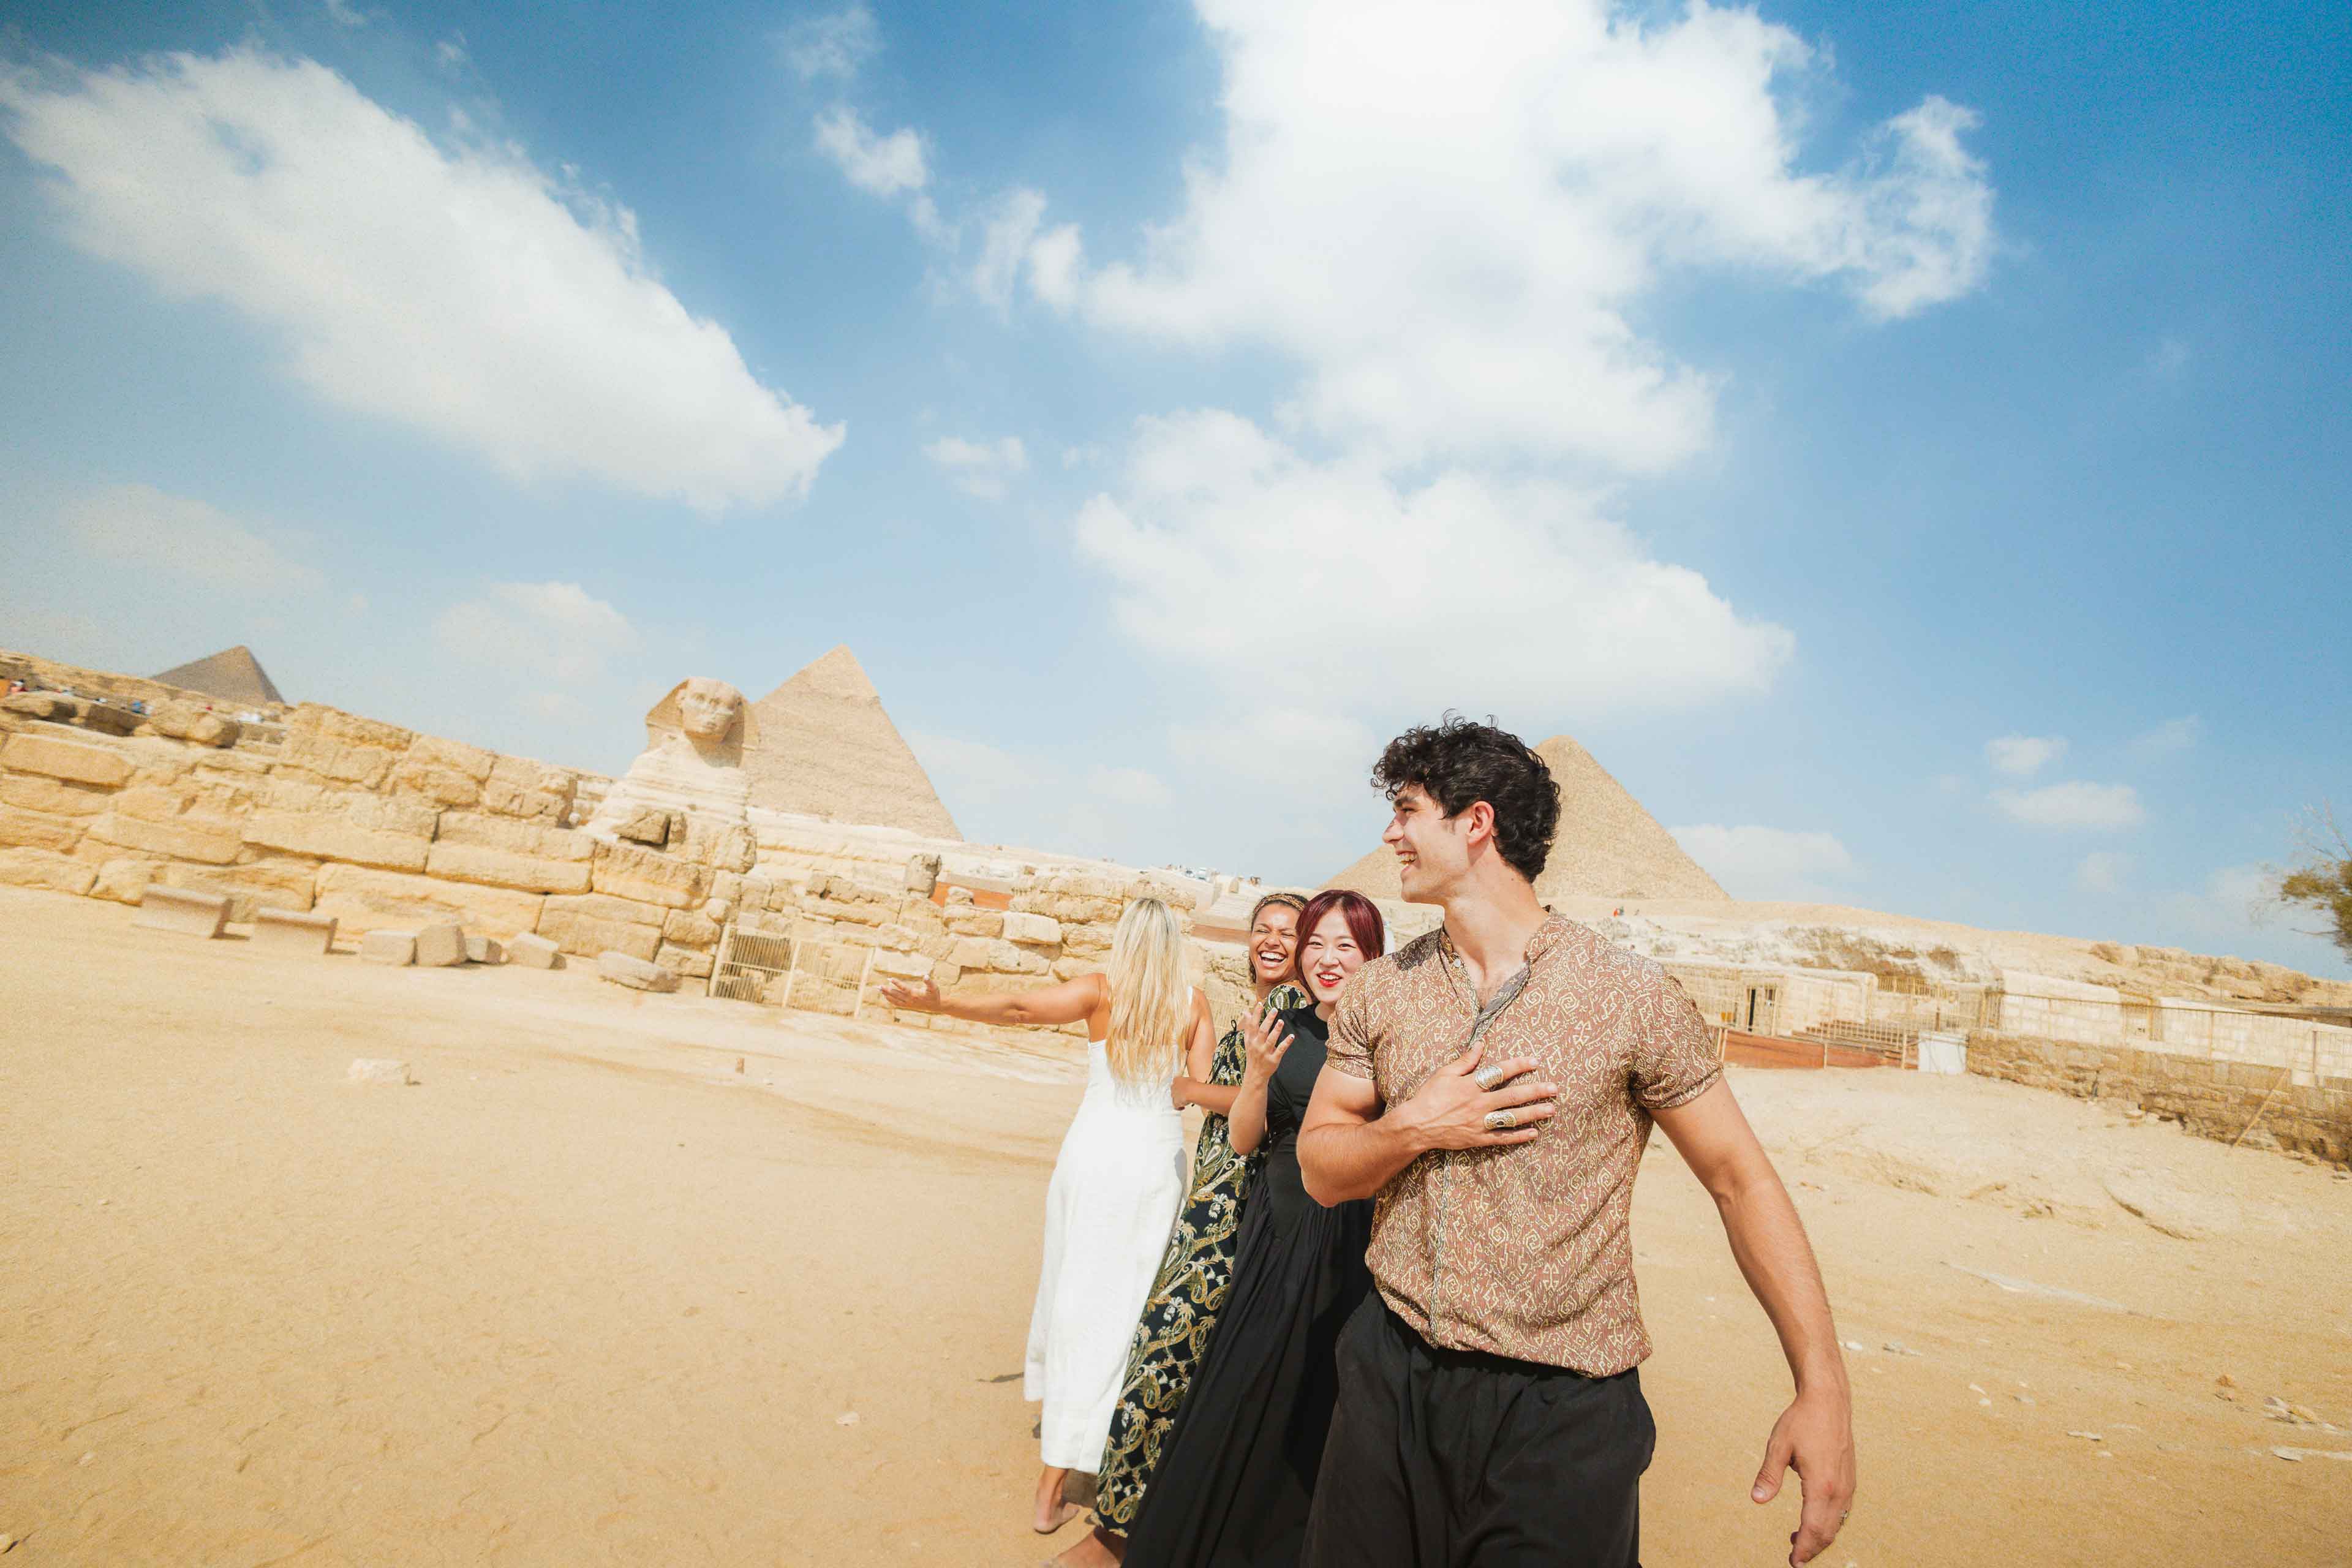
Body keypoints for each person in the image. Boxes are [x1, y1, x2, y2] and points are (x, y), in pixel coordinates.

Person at [1297, 718, 1856, 1568]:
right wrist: (1415, 1126)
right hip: (1390, 1376)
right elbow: (1320, 1169)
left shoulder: (1631, 996)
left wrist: (1823, 1388)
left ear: (1475, 822)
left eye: (1407, 811)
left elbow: (1740, 1180)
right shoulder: (1383, 991)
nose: (1389, 835)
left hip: (1560, 1412)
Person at [880, 897, 1210, 1541]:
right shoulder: (1193, 1005)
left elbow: (1019, 1009)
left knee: (1075, 1297)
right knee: (1131, 1308)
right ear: (1174, 945)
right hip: (1152, 1167)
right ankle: (1108, 1459)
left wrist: (941, 1003)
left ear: (1124, 940)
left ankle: (1051, 1485)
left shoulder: (1098, 992)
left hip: (1091, 1160)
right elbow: (1202, 1093)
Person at [1120, 889, 1384, 1568]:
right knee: (1245, 1383)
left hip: (1350, 1233)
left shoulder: (1389, 1033)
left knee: (1316, 1395)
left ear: (1373, 953)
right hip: (1277, 1229)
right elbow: (1244, 1138)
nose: (1327, 959)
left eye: (1345, 945)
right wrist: (1260, 1075)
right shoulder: (1283, 1025)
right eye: (1316, 944)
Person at [1074, 894, 1312, 1566]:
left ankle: (1116, 1533)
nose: (1271, 941)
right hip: (1212, 1198)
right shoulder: (1267, 1007)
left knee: (1164, 1354)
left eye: (1288, 932)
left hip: (1234, 1208)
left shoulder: (1291, 1011)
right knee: (1181, 1361)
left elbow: (1270, 1104)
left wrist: (1190, 1090)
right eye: (1262, 929)